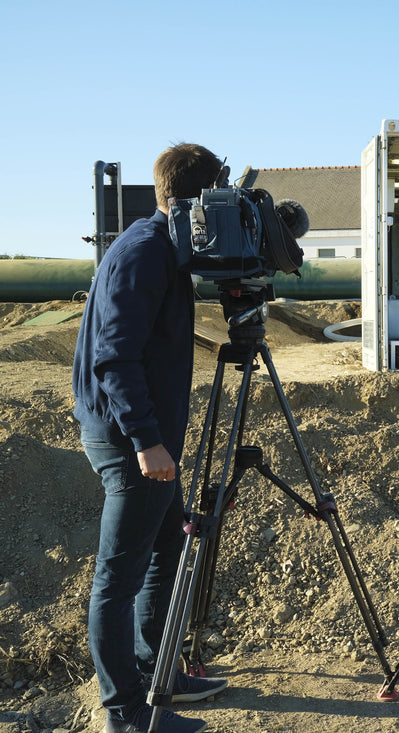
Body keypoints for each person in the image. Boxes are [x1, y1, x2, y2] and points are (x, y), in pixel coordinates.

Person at [73, 143, 228, 733]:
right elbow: (115, 357)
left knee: (167, 548)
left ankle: (157, 673)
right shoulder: (143, 253)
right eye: (219, 198)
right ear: (194, 201)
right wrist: (145, 439)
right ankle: (127, 715)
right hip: (129, 437)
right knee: (117, 579)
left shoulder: (163, 245)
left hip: (147, 433)